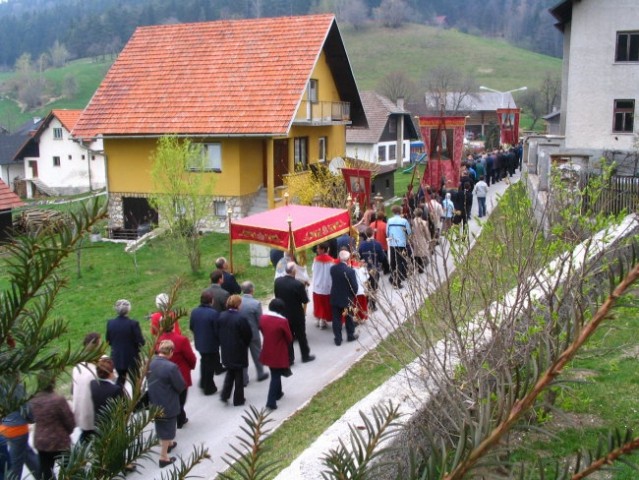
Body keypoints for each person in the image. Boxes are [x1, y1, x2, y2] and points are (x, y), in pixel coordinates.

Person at [147, 340, 185, 468]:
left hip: (154, 400)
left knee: (161, 425)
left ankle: (168, 444)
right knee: (167, 428)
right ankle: (164, 457)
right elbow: (180, 385)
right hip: (168, 402)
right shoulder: (171, 367)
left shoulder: (151, 363)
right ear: (171, 352)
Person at [30, 375, 75, 480]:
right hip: (60, 441)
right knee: (70, 469)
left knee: (45, 471)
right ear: (53, 383)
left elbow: (31, 417)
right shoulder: (58, 400)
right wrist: (69, 431)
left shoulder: (34, 400)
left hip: (41, 441)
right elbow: (69, 421)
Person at [274, 262, 315, 364]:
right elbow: (304, 300)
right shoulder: (298, 284)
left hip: (283, 313)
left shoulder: (278, 282)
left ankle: (289, 358)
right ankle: (305, 356)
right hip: (296, 314)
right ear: (294, 271)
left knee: (288, 336)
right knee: (301, 335)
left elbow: (276, 296)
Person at [158, 322, 196, 429]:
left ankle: (179, 417)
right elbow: (190, 356)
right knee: (181, 399)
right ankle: (179, 419)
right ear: (173, 326)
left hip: (164, 374)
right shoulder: (182, 340)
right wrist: (191, 366)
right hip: (181, 373)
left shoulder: (158, 340)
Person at [218, 295, 253, 407]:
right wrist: (245, 344)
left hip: (226, 349)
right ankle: (238, 399)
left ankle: (225, 394)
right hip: (238, 349)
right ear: (238, 305)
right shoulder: (241, 318)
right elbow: (248, 334)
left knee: (230, 371)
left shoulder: (221, 316)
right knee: (238, 374)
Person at [259, 298, 294, 411]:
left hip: (267, 349)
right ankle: (271, 401)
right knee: (275, 375)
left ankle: (278, 393)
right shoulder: (282, 321)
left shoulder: (263, 318)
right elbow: (289, 337)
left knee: (275, 372)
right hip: (278, 352)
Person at [190, 290, 225, 396]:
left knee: (205, 362)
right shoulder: (213, 313)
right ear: (211, 301)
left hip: (199, 342)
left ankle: (203, 383)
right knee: (209, 365)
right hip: (211, 344)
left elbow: (191, 327)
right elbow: (217, 330)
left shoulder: (194, 311)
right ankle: (208, 388)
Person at [0, 385, 39, 480]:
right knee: (15, 466)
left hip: (4, 427)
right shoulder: (15, 385)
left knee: (28, 456)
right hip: (17, 429)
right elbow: (26, 407)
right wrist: (32, 418)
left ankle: (46, 476)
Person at [106, 299, 145, 387]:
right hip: (132, 358)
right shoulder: (133, 324)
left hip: (117, 357)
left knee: (120, 380)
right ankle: (137, 400)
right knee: (136, 382)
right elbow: (140, 342)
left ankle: (118, 399)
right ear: (128, 309)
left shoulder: (110, 323)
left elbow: (108, 340)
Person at [72, 332, 101, 443]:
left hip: (80, 411)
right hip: (93, 412)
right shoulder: (95, 371)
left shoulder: (78, 367)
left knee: (85, 435)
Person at [239, 281, 269, 385]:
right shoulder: (256, 304)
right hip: (253, 334)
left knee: (242, 356)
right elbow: (260, 321)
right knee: (257, 353)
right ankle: (260, 373)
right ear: (252, 290)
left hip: (240, 334)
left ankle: (243, 379)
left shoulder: (237, 302)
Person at [330, 250, 359, 346]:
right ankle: (350, 335)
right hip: (347, 298)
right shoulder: (350, 271)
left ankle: (338, 338)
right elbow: (354, 286)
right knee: (349, 318)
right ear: (348, 259)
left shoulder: (333, 269)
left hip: (335, 296)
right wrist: (352, 294)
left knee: (336, 319)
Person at [358, 227, 387, 312]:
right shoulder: (377, 244)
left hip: (365, 269)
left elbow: (360, 257)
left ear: (366, 234)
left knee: (366, 287)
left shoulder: (362, 245)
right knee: (374, 287)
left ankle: (367, 303)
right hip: (374, 268)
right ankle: (372, 305)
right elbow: (382, 257)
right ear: (373, 234)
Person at [90, 357, 125, 426]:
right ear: (111, 373)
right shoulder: (115, 389)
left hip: (97, 421)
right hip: (111, 423)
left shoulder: (92, 383)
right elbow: (123, 407)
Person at [386, 205, 411, 289]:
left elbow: (387, 232)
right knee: (400, 262)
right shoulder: (404, 221)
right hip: (401, 244)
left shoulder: (389, 221)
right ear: (400, 211)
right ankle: (397, 281)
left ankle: (392, 277)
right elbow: (409, 232)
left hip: (393, 243)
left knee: (393, 262)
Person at [311, 242, 335, 329]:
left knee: (318, 304)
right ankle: (323, 320)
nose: (317, 250)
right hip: (327, 286)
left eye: (318, 248)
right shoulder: (332, 260)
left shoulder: (316, 260)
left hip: (317, 285)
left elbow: (313, 270)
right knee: (325, 305)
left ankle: (318, 319)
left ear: (323, 249)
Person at [410, 207, 432, 273]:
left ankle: (418, 266)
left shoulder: (413, 222)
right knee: (422, 253)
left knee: (416, 253)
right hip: (421, 239)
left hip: (415, 239)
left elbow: (411, 231)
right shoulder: (423, 223)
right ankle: (422, 266)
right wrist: (429, 239)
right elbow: (427, 232)